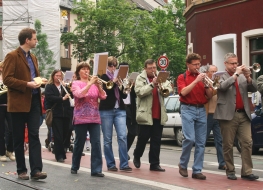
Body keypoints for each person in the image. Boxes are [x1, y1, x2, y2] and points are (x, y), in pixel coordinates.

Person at [2, 28, 47, 180]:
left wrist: (40, 81)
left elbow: (34, 77)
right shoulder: (12, 56)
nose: (36, 41)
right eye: (35, 39)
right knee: (19, 138)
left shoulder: (33, 57)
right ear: (27, 40)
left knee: (34, 135)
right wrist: (27, 84)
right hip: (18, 102)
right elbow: (7, 79)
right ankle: (22, 170)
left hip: (34, 100)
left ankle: (36, 171)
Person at [214, 52, 258, 181]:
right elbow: (221, 87)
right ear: (225, 64)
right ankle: (230, 170)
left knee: (247, 142)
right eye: (232, 63)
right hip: (228, 115)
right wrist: (236, 74)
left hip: (243, 114)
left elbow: (254, 88)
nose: (235, 65)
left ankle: (247, 171)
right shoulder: (220, 76)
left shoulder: (242, 76)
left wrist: (249, 77)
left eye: (236, 63)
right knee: (228, 144)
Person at [176, 53, 212, 180]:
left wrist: (207, 85)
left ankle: (197, 170)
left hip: (201, 109)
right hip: (187, 108)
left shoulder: (203, 77)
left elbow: (210, 95)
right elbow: (183, 92)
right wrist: (196, 81)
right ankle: (183, 164)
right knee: (190, 139)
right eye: (195, 64)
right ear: (188, 64)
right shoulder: (182, 77)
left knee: (201, 142)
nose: (198, 67)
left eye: (199, 64)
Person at [133, 59, 173, 172]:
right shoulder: (140, 78)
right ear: (145, 68)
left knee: (156, 140)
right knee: (143, 138)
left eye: (154, 67)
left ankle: (154, 164)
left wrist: (163, 87)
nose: (153, 70)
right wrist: (152, 84)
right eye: (150, 68)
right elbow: (139, 92)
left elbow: (168, 88)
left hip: (158, 114)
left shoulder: (161, 76)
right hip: (146, 114)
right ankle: (137, 155)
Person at [71, 62, 106, 177]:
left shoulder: (94, 84)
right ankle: (75, 166)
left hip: (95, 117)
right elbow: (79, 95)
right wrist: (90, 84)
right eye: (83, 69)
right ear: (78, 72)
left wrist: (99, 86)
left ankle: (96, 169)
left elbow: (103, 96)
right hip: (80, 117)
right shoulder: (75, 83)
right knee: (79, 142)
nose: (86, 71)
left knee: (96, 143)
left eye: (87, 69)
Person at [99, 56, 132, 172]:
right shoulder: (102, 76)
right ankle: (111, 164)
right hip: (106, 110)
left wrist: (123, 86)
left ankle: (124, 164)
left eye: (114, 65)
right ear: (106, 66)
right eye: (110, 65)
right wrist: (113, 82)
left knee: (122, 137)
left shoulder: (119, 77)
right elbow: (104, 92)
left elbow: (124, 95)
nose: (113, 67)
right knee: (107, 139)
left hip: (120, 109)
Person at [45, 69, 71, 163]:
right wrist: (62, 98)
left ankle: (57, 149)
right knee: (58, 135)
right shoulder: (49, 86)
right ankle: (60, 155)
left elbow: (71, 95)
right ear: (53, 76)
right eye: (56, 75)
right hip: (56, 114)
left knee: (66, 133)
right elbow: (50, 97)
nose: (58, 77)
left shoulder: (64, 86)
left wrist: (67, 87)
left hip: (66, 113)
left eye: (60, 76)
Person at [205, 65, 226, 170]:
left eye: (215, 71)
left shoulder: (220, 83)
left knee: (219, 140)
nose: (214, 73)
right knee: (202, 140)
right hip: (208, 115)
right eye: (212, 71)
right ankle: (198, 161)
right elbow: (207, 96)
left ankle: (222, 163)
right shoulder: (205, 82)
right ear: (208, 72)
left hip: (218, 115)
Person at [118, 62, 138, 159]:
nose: (126, 71)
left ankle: (124, 151)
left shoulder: (129, 80)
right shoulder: (117, 80)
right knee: (122, 133)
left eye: (127, 69)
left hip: (130, 107)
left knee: (133, 132)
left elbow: (135, 95)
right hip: (121, 107)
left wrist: (133, 86)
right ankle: (123, 153)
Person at [0, 61, 15, 162]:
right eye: (3, 67)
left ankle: (9, 150)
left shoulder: (9, 77)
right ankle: (1, 152)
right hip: (0, 106)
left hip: (10, 106)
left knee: (12, 129)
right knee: (1, 130)